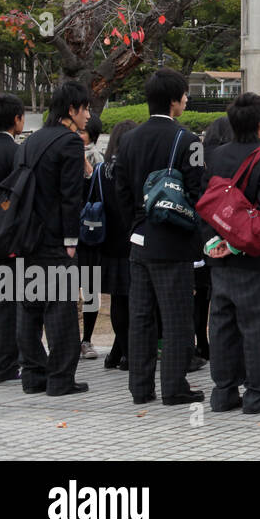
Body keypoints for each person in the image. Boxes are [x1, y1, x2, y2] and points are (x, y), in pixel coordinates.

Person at [115, 69, 204, 406]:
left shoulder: (128, 140)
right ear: (174, 100)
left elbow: (121, 188)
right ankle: (174, 387)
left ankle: (140, 387)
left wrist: (135, 226)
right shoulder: (189, 140)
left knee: (141, 316)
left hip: (139, 241)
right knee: (177, 315)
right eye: (184, 94)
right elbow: (198, 192)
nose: (186, 100)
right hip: (174, 242)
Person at [203, 92, 260, 414]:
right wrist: (240, 243)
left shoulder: (215, 156)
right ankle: (257, 396)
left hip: (219, 256)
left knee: (222, 325)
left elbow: (206, 205)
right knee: (259, 327)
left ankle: (223, 393)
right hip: (254, 257)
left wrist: (214, 243)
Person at [13, 81, 91, 396]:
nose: (88, 115)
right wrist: (72, 239)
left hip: (24, 235)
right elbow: (71, 196)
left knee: (29, 306)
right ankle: (60, 378)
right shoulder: (70, 142)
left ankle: (33, 375)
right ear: (71, 110)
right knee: (60, 308)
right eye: (85, 108)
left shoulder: (30, 141)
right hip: (55, 238)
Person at [193, 116, 236, 369]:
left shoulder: (201, 157)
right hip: (227, 233)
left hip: (200, 234)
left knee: (200, 296)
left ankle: (201, 341)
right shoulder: (229, 159)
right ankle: (220, 347)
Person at [98, 120, 139, 371]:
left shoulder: (102, 170)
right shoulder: (132, 168)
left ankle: (118, 350)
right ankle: (127, 352)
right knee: (133, 300)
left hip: (107, 240)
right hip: (131, 240)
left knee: (116, 300)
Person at [0, 94, 26, 384]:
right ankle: (6, 364)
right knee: (7, 301)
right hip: (6, 237)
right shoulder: (16, 153)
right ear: (17, 120)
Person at [76, 114, 105, 360]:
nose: (78, 137)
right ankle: (70, 338)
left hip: (91, 233)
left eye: (82, 133)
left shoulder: (98, 159)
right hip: (70, 233)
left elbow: (99, 192)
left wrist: (88, 168)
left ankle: (87, 339)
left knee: (92, 288)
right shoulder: (64, 155)